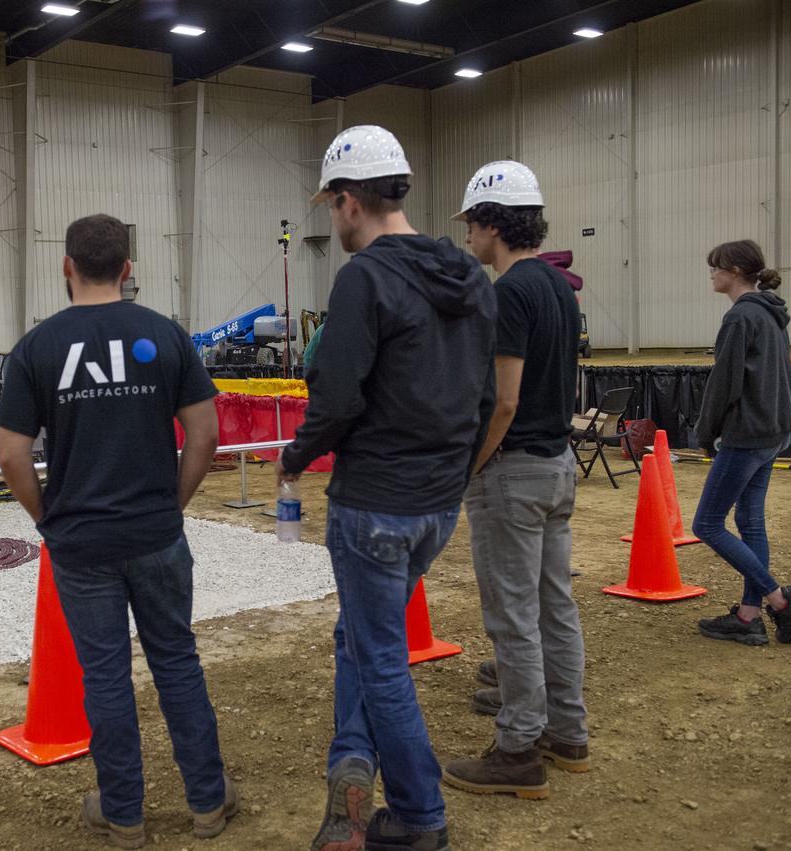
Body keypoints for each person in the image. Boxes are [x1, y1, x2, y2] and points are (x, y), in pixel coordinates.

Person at [279, 126, 496, 851]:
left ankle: (418, 815)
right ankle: (350, 758)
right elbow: (482, 394)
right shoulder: (467, 277)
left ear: (348, 202)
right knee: (362, 635)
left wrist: (294, 455)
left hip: (375, 498)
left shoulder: (364, 277)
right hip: (437, 501)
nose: (332, 222)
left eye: (330, 208)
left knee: (378, 656)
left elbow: (335, 397)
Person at [0, 214, 237, 849]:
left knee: (103, 676)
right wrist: (172, 503)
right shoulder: (164, 334)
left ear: (66, 267)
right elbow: (205, 436)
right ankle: (208, 804)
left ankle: (124, 815)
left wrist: (46, 517)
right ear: (128, 270)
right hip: (156, 533)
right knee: (177, 662)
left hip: (82, 545)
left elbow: (11, 456)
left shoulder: (37, 348)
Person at [442, 161, 589, 802]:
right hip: (556, 465)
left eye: (471, 223)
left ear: (491, 223)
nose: (467, 236)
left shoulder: (507, 294)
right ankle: (567, 732)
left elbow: (503, 402)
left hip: (513, 472)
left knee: (512, 616)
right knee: (555, 606)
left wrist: (466, 468)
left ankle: (518, 748)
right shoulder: (557, 286)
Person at [692, 239, 791, 646]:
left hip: (748, 435)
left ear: (736, 271)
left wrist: (704, 434)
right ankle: (747, 616)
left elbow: (722, 385)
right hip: (772, 432)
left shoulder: (741, 318)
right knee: (749, 522)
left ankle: (778, 601)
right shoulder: (769, 312)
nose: (711, 273)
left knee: (707, 524)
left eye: (716, 266)